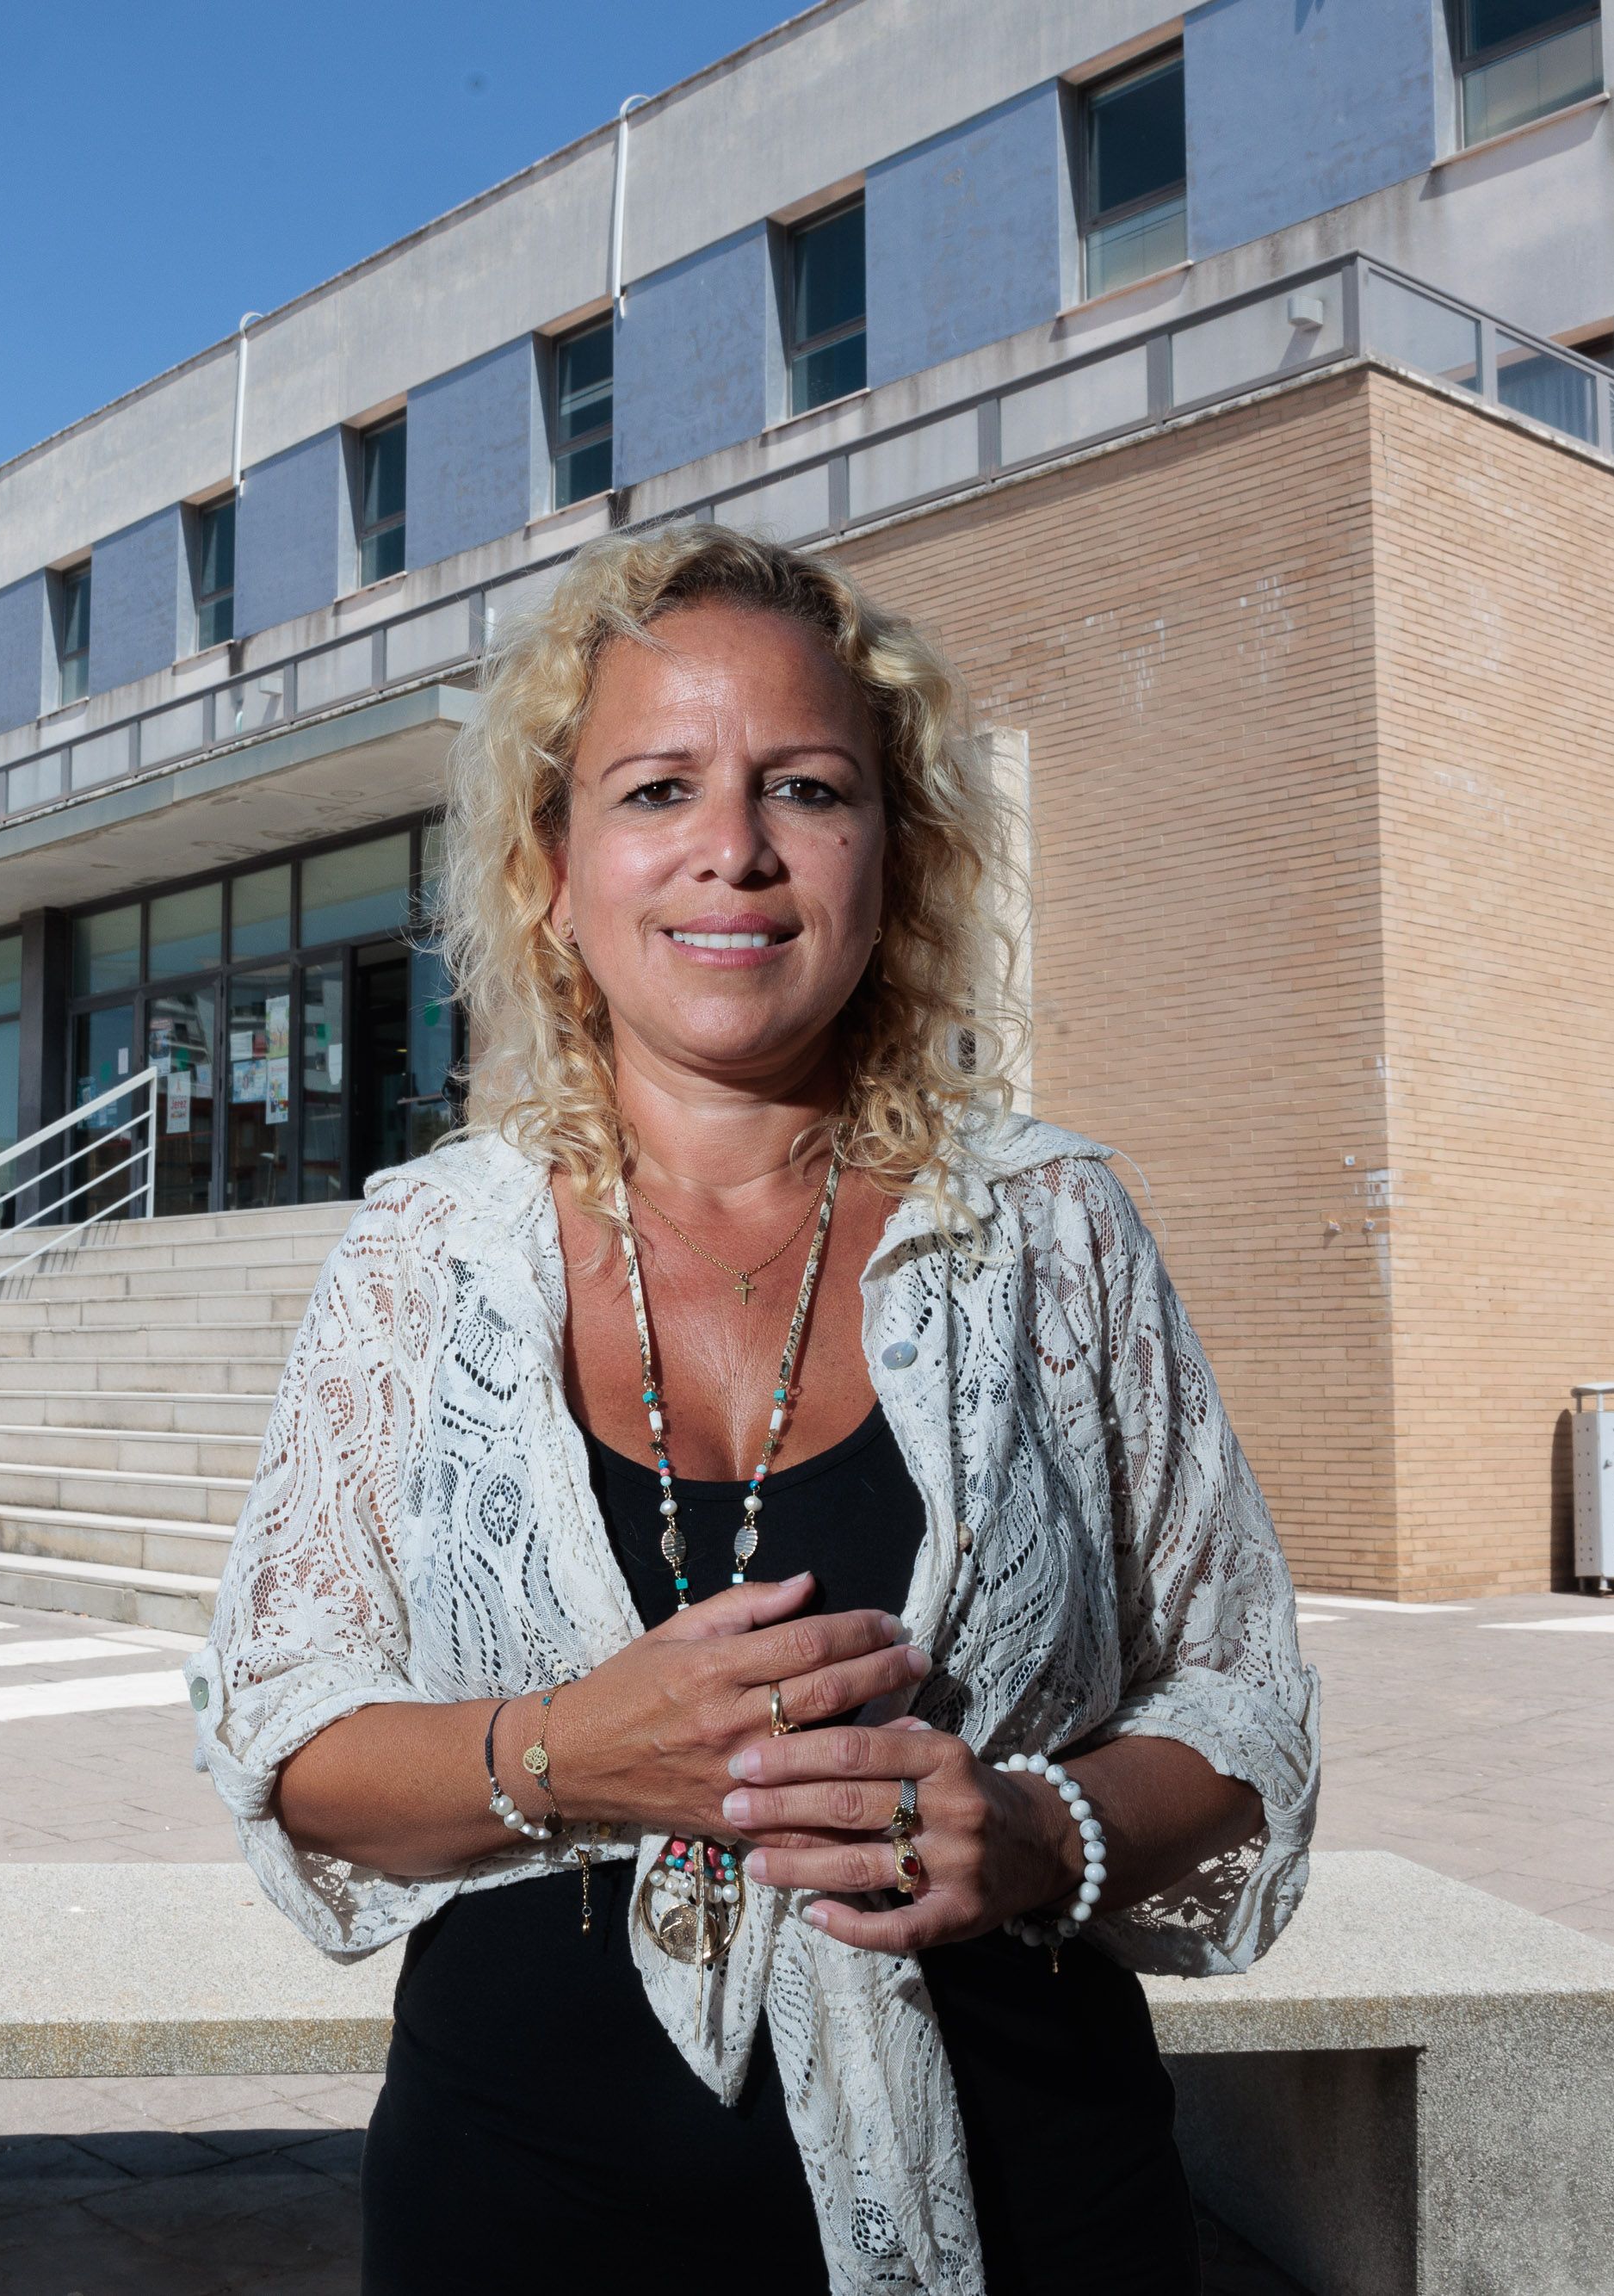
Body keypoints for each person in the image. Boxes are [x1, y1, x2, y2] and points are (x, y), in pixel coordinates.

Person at [186, 523, 1319, 2295]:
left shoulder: (1048, 1225)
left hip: (1038, 2208)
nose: (732, 848)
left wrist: (1031, 1830)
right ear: (549, 870)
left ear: (896, 858)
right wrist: (564, 1747)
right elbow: (288, 1737)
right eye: (655, 788)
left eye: (803, 787)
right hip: (519, 2217)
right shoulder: (424, 1256)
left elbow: (1240, 1698)